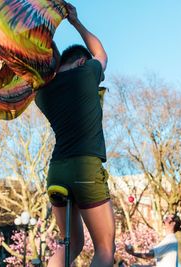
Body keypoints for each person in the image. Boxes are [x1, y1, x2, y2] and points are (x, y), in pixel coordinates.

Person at [35, 2, 114, 267]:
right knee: (104, 247)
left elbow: (49, 69)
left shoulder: (43, 94)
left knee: (70, 243)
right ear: (81, 62)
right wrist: (75, 22)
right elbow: (101, 54)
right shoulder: (86, 73)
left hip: (56, 171)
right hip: (86, 169)